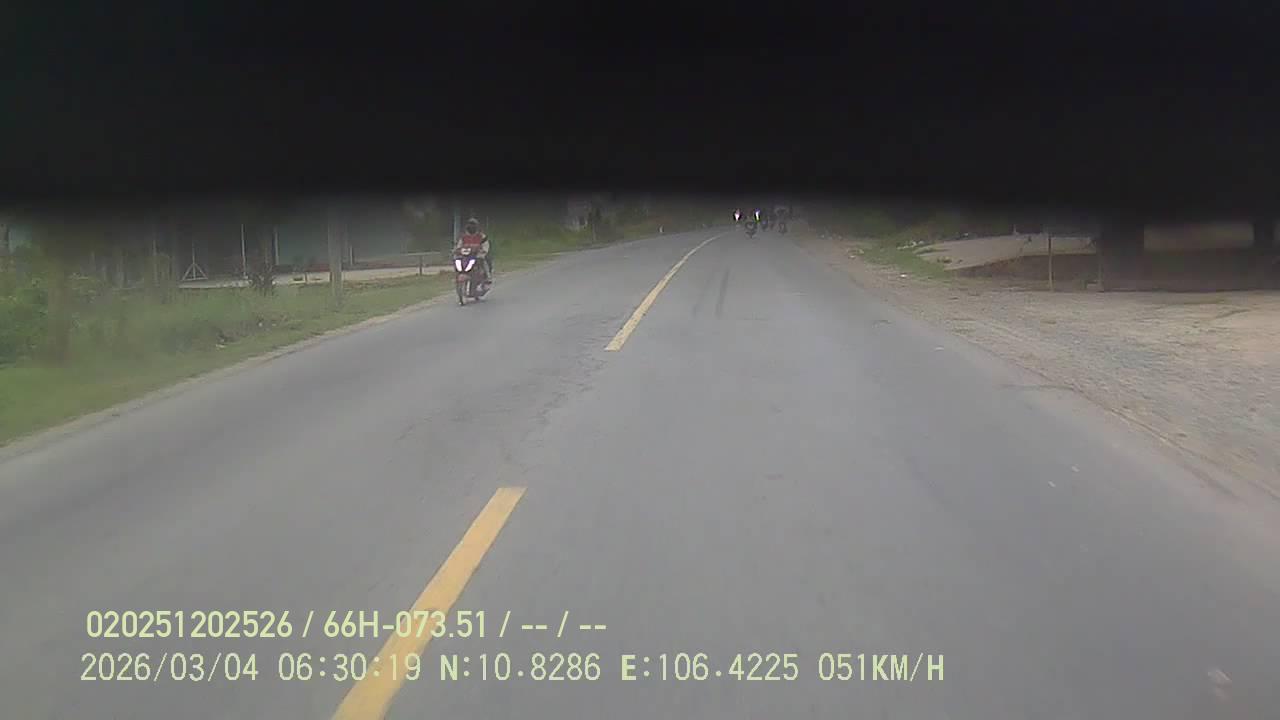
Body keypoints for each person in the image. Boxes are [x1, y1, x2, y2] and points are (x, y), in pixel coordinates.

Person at [455, 217, 492, 283]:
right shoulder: (463, 237)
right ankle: (458, 274)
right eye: (470, 224)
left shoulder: (481, 236)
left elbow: (486, 245)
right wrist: (457, 250)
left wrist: (483, 251)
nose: (471, 226)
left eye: (473, 225)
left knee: (482, 260)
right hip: (466, 255)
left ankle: (487, 276)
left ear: (476, 226)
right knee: (457, 259)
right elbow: (459, 246)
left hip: (477, 254)